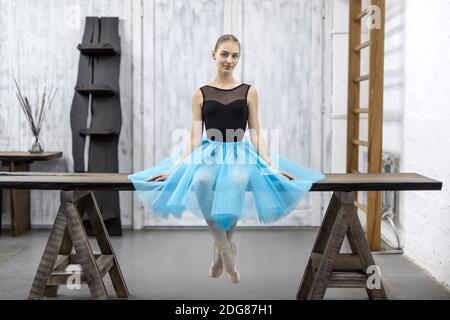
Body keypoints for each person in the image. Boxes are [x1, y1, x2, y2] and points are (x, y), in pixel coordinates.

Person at [128, 34, 326, 284]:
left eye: (235, 55)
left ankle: (221, 253)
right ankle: (226, 248)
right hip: (208, 151)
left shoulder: (249, 91)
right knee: (200, 181)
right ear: (214, 54)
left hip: (239, 152)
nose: (229, 60)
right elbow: (193, 137)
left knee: (238, 180)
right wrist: (176, 169)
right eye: (224, 54)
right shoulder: (199, 93)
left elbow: (256, 133)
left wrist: (272, 167)